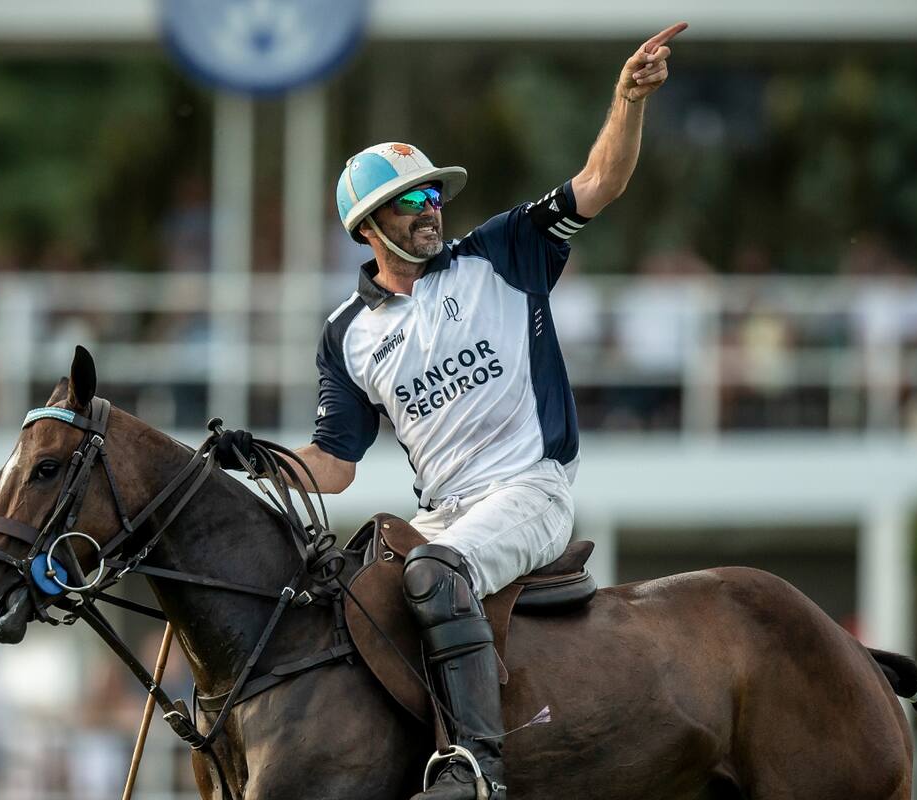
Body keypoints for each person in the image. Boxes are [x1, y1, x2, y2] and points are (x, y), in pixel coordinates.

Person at [215, 22, 687, 800]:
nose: (429, 209)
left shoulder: (503, 252)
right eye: (408, 203)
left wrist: (627, 101)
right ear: (368, 230)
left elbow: (599, 181)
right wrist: (249, 456)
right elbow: (333, 467)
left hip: (530, 491)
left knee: (433, 572)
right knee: (335, 590)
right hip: (444, 511)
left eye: (432, 194)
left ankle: (476, 766)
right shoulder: (345, 334)